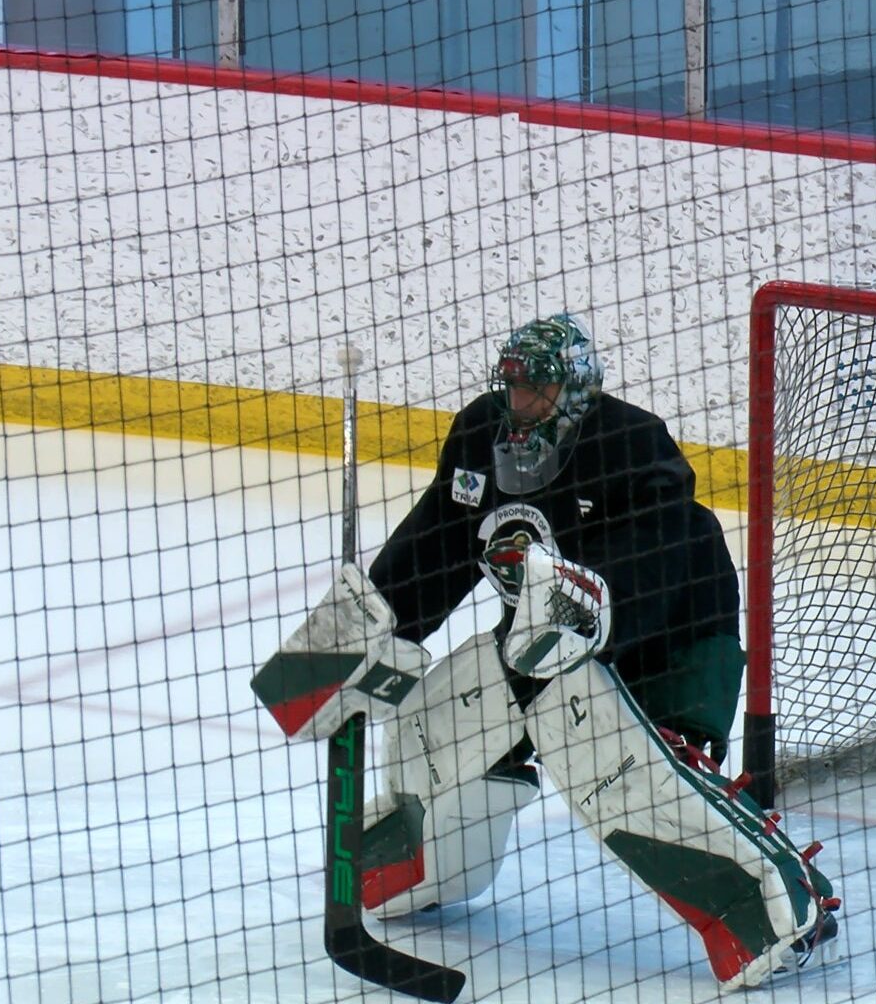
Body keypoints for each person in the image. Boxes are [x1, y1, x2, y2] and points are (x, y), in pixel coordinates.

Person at [254, 313, 839, 989]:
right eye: (514, 385)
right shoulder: (482, 434)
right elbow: (436, 546)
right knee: (439, 722)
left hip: (670, 644)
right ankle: (410, 866)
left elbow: (666, 553)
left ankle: (774, 907)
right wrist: (363, 639)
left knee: (588, 728)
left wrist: (591, 605)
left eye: (539, 389)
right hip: (544, 644)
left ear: (578, 391)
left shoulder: (629, 441)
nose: (522, 402)